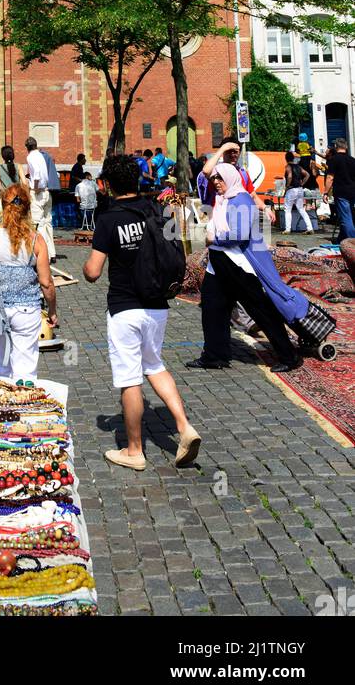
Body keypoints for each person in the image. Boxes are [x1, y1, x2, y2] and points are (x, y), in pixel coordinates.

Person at [83, 154, 201, 471]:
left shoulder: (108, 218)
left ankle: (134, 450)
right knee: (154, 365)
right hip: (157, 304)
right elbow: (177, 251)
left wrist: (87, 266)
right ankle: (184, 427)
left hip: (125, 306)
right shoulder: (156, 209)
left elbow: (93, 271)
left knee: (130, 378)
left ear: (108, 185)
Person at [187, 162, 301, 372]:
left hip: (237, 264)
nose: (216, 182)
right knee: (213, 308)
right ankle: (214, 356)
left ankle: (289, 355)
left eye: (220, 178)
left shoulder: (241, 199)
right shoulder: (222, 199)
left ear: (230, 178)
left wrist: (213, 239)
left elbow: (239, 234)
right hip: (218, 262)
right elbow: (203, 176)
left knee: (260, 308)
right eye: (215, 178)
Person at [0, 182, 58, 382]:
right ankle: (26, 397)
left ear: (2, 206)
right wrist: (52, 310)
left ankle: (3, 397)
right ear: (27, 208)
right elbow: (46, 283)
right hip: (27, 310)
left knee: (1, 365)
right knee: (26, 367)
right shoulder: (36, 239)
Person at [25, 137, 55, 261]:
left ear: (27, 147)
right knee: (48, 223)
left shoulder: (31, 157)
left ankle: (44, 254)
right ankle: (52, 253)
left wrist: (36, 187)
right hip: (46, 191)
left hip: (38, 192)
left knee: (38, 224)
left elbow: (36, 173)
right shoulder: (41, 155)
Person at [322, 138, 355, 241]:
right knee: (346, 216)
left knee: (346, 218)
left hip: (341, 192)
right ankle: (341, 240)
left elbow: (330, 177)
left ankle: (352, 242)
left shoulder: (334, 159)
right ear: (346, 147)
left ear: (336, 147)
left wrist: (326, 192)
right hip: (352, 192)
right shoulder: (352, 160)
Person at [282, 151, 314, 236]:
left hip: (291, 189)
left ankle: (287, 229)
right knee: (301, 209)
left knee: (287, 209)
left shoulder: (288, 166)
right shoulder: (298, 167)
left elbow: (289, 176)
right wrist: (302, 184)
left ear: (286, 159)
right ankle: (310, 228)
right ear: (293, 158)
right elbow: (307, 175)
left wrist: (287, 186)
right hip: (300, 189)